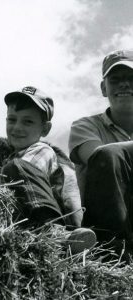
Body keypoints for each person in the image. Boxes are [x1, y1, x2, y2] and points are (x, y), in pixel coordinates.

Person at [1, 86, 96, 254]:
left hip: (48, 217)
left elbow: (17, 177)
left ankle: (51, 230)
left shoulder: (40, 150)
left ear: (45, 129)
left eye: (28, 121)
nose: (17, 127)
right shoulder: (9, 159)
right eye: (12, 119)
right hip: (25, 223)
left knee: (15, 167)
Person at [68, 49, 133, 258]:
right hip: (109, 223)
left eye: (132, 79)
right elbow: (99, 157)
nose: (124, 84)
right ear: (104, 88)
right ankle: (113, 251)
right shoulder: (85, 126)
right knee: (108, 156)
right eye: (115, 80)